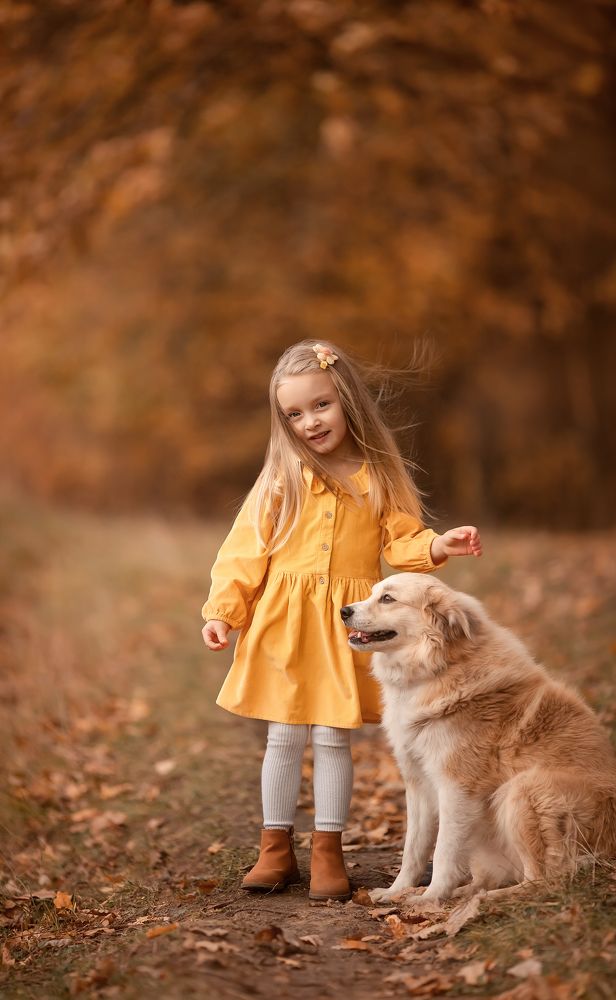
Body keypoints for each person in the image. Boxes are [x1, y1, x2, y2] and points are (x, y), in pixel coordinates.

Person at [202, 340, 482, 902]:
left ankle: (327, 848)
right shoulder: (281, 476)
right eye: (294, 414)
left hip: (345, 621)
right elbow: (243, 550)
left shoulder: (377, 473)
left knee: (332, 736)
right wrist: (223, 611)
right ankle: (274, 848)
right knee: (282, 736)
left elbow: (403, 540)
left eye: (321, 405)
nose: (310, 422)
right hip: (284, 620)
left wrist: (438, 546)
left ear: (347, 399)